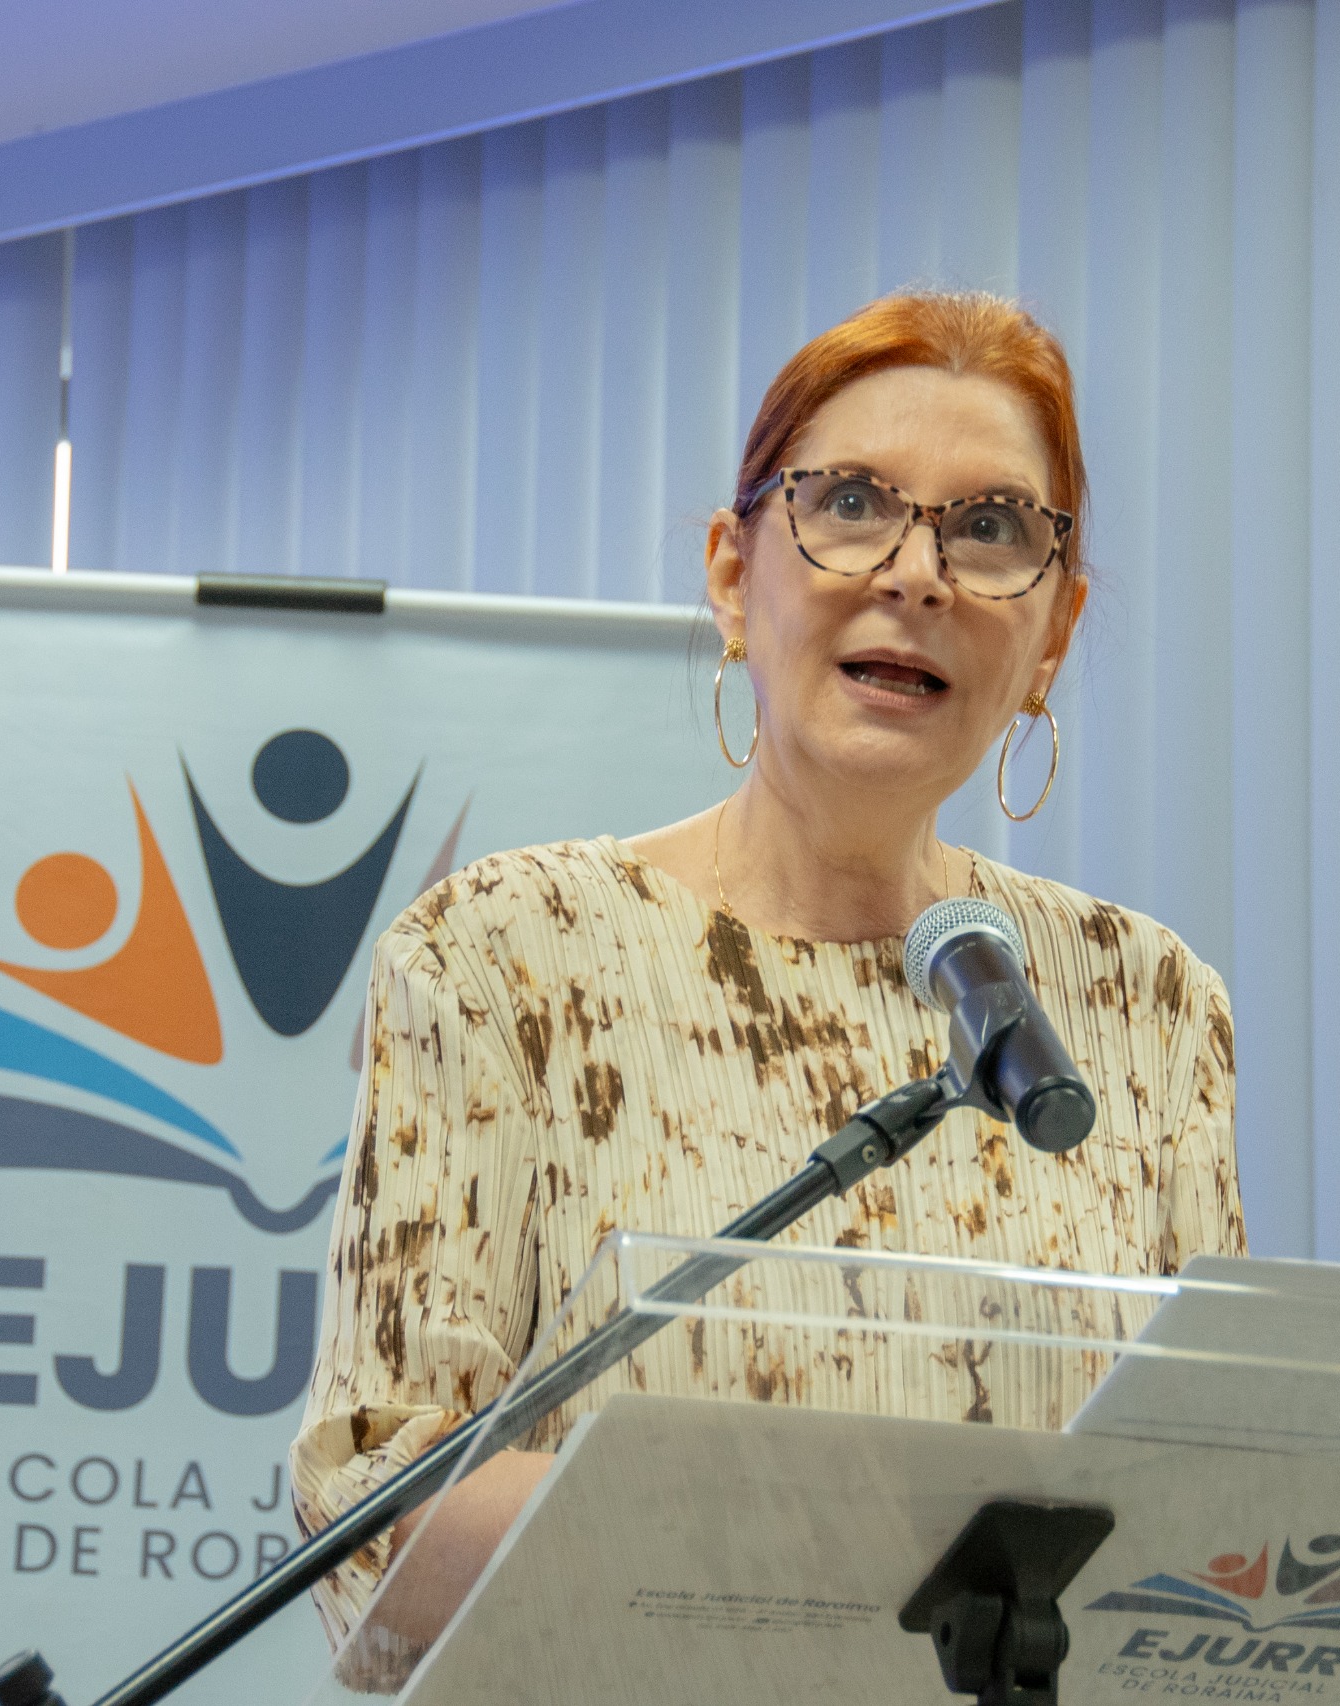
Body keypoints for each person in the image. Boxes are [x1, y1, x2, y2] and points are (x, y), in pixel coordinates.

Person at [289, 290, 1245, 1683]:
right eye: (853, 501)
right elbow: (372, 1513)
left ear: (1051, 634)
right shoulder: (506, 949)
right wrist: (841, 1537)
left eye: (991, 529)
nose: (919, 571)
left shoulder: (1147, 1004)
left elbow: (1188, 1508)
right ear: (736, 577)